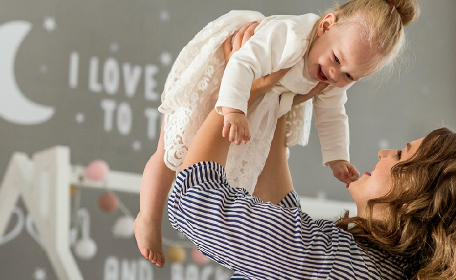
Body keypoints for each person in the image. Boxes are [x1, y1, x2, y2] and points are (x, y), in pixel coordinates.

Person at [135, 0, 420, 267]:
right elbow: (241, 63)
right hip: (228, 72)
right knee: (173, 147)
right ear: (326, 25)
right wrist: (234, 109)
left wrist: (337, 158)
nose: (335, 75)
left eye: (349, 76)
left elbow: (333, 112)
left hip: (265, 94)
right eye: (335, 59)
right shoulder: (290, 36)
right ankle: (147, 217)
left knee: (247, 165)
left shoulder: (333, 72)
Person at [166, 68, 456, 279]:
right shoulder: (377, 269)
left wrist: (239, 93)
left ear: (421, 197)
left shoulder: (333, 265)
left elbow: (195, 202)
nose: (383, 153)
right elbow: (280, 218)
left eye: (400, 154)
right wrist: (278, 99)